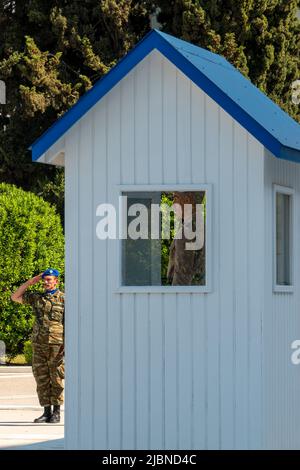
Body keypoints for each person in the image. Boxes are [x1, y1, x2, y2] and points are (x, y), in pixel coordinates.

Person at [11, 268, 65, 424]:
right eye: (45, 280)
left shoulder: (63, 298)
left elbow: (69, 322)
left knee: (56, 377)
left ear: (56, 281)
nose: (46, 282)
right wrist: (31, 281)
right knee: (41, 377)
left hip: (57, 344)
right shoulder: (36, 298)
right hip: (38, 343)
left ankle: (56, 412)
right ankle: (46, 412)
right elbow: (15, 297)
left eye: (49, 279)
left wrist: (67, 345)